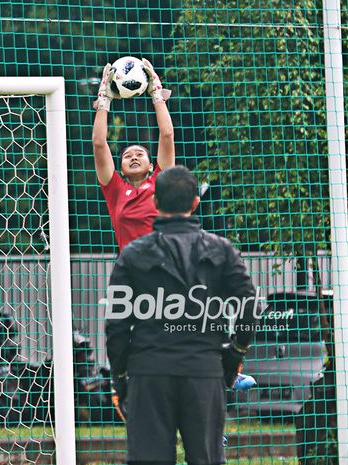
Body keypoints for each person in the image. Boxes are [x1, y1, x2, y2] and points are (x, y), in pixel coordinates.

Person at [105, 166, 258, 465]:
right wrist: (233, 355)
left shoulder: (133, 254)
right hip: (204, 371)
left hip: (149, 374)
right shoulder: (221, 250)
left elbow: (117, 326)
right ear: (195, 203)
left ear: (156, 203)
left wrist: (121, 381)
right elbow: (248, 306)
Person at [92, 58, 175, 250]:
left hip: (165, 267)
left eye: (139, 154)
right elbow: (99, 143)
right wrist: (104, 99)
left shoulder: (160, 182)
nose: (134, 157)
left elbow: (167, 135)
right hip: (130, 270)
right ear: (120, 168)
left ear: (152, 166)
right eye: (128, 156)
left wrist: (157, 94)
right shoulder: (114, 190)